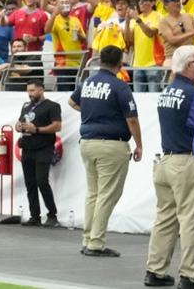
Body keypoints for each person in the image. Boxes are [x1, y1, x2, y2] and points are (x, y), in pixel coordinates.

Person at [145, 46, 194, 289]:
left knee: (165, 218)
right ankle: (190, 274)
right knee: (190, 220)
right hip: (185, 160)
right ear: (189, 66)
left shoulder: (167, 91)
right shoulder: (192, 94)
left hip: (166, 159)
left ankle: (155, 270)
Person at [68, 45, 142, 257]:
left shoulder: (88, 82)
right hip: (111, 144)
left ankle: (88, 238)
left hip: (88, 142)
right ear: (120, 64)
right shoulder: (119, 86)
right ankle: (96, 242)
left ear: (100, 61)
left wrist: (92, 112)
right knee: (107, 195)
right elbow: (132, 119)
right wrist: (139, 144)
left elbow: (72, 101)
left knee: (93, 193)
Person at [15, 80, 62, 227]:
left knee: (42, 181)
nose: (30, 94)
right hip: (27, 147)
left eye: (32, 90)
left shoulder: (52, 106)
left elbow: (57, 126)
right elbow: (20, 122)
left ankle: (52, 215)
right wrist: (18, 126)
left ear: (41, 90)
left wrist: (37, 130)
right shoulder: (26, 106)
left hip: (43, 148)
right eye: (28, 91)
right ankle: (34, 216)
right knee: (30, 183)